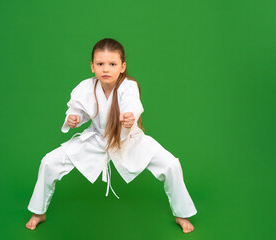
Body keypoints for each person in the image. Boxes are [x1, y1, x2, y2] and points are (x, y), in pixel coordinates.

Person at [26, 38, 197, 233]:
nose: (106, 69)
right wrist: (73, 118)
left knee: (171, 164)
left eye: (112, 64)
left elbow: (131, 105)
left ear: (122, 67)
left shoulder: (129, 87)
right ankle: (39, 212)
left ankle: (181, 213)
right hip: (96, 139)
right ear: (92, 66)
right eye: (100, 64)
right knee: (49, 162)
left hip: (129, 141)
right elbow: (78, 109)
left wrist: (130, 117)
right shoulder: (86, 87)